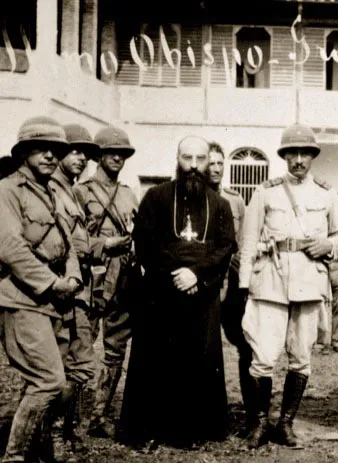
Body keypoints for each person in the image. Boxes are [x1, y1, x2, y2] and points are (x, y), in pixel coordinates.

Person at [118, 136, 235, 449]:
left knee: (198, 361)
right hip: (162, 293)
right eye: (187, 158)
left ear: (209, 161)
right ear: (178, 159)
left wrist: (196, 274)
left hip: (202, 293)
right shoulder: (156, 197)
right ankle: (149, 429)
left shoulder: (220, 204)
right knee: (156, 361)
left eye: (200, 159)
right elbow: (144, 243)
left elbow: (225, 248)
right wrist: (176, 273)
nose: (194, 166)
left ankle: (192, 430)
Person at [239, 124, 338, 449]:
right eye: (292, 154)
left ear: (313, 157)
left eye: (304, 154)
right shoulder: (265, 192)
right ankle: (260, 424)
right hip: (270, 281)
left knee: (301, 357)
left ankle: (286, 424)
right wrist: (245, 285)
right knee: (262, 357)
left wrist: (328, 245)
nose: (298, 160)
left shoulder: (327, 194)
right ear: (284, 156)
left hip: (309, 282)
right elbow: (247, 241)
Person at [1, 116, 82, 461]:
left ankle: (40, 454)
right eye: (41, 148)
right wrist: (52, 283)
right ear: (23, 153)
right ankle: (14, 457)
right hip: (23, 298)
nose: (50, 155)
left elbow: (69, 243)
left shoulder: (52, 191)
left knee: (51, 382)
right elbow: (10, 248)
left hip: (54, 300)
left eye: (56, 150)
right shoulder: (6, 191)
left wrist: (74, 277)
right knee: (49, 381)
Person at [73, 126, 139, 439]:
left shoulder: (128, 193)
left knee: (116, 348)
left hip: (123, 277)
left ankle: (99, 414)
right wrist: (105, 244)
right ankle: (71, 418)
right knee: (82, 348)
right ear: (98, 155)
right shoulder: (81, 191)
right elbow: (72, 236)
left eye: (122, 153)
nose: (117, 158)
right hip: (90, 278)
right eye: (111, 152)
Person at [44, 123, 100, 458]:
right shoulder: (50, 189)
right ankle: (51, 436)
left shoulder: (72, 191)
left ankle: (65, 431)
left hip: (81, 290)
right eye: (75, 151)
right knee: (58, 368)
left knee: (80, 367)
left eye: (86, 154)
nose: (81, 159)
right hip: (61, 291)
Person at [207, 141, 256, 437]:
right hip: (204, 284)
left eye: (219, 163)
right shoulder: (193, 198)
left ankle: (253, 416)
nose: (215, 168)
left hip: (233, 284)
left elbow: (242, 241)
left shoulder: (236, 201)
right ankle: (208, 414)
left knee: (246, 345)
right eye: (210, 163)